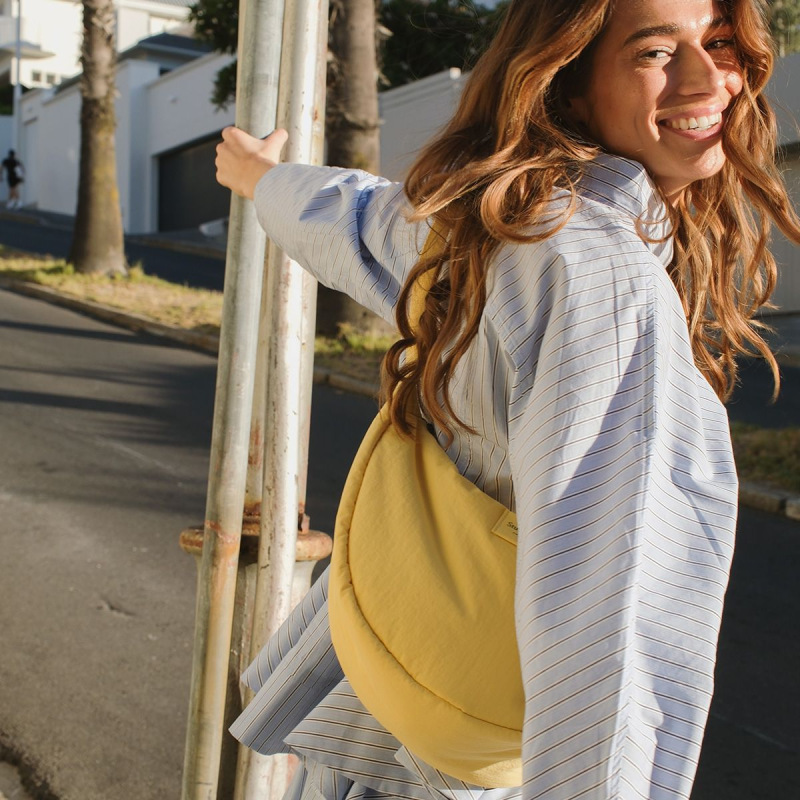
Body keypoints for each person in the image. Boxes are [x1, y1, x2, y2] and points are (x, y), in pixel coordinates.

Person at [216, 1, 800, 798]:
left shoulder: (491, 219)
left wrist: (259, 177)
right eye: (655, 51)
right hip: (461, 759)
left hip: (393, 679)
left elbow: (351, 219)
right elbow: (612, 606)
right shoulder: (605, 281)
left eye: (721, 40)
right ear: (570, 85)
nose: (707, 77)